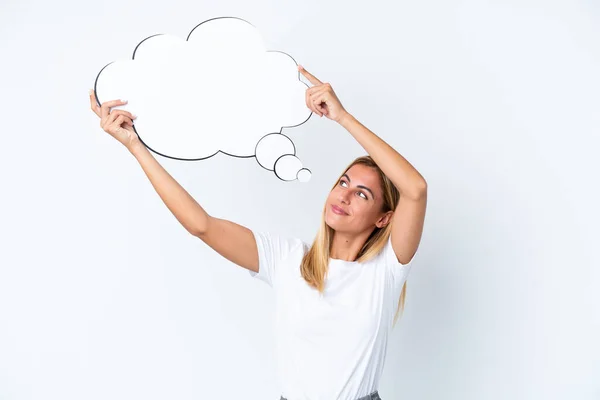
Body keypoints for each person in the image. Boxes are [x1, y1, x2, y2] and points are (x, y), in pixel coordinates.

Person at [88, 64, 427, 400]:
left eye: (362, 194)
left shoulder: (386, 271)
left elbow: (415, 188)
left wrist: (342, 117)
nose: (344, 195)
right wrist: (134, 146)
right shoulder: (287, 259)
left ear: (384, 218)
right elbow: (201, 225)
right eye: (343, 182)